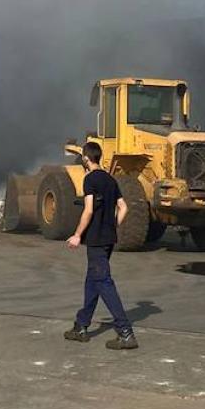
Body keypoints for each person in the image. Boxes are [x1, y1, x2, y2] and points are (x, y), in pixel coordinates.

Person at [63, 141, 138, 349]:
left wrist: (77, 235)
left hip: (95, 239)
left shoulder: (90, 179)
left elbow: (88, 210)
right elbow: (124, 207)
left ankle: (125, 332)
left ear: (86, 159)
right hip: (108, 239)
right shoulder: (110, 180)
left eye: (82, 159)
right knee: (92, 281)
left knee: (103, 282)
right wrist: (113, 226)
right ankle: (81, 326)